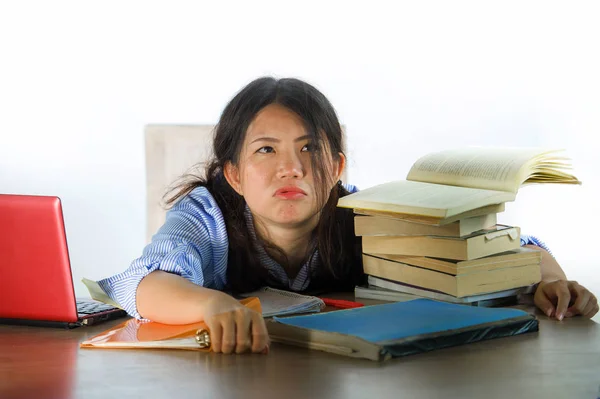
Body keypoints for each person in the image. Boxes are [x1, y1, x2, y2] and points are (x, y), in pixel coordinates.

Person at [98, 76, 598, 355]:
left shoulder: (366, 214)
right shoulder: (205, 213)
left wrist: (551, 282)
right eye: (265, 150)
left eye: (309, 148)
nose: (289, 168)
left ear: (336, 167)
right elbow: (144, 282)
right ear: (233, 175)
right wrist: (211, 306)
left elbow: (507, 247)